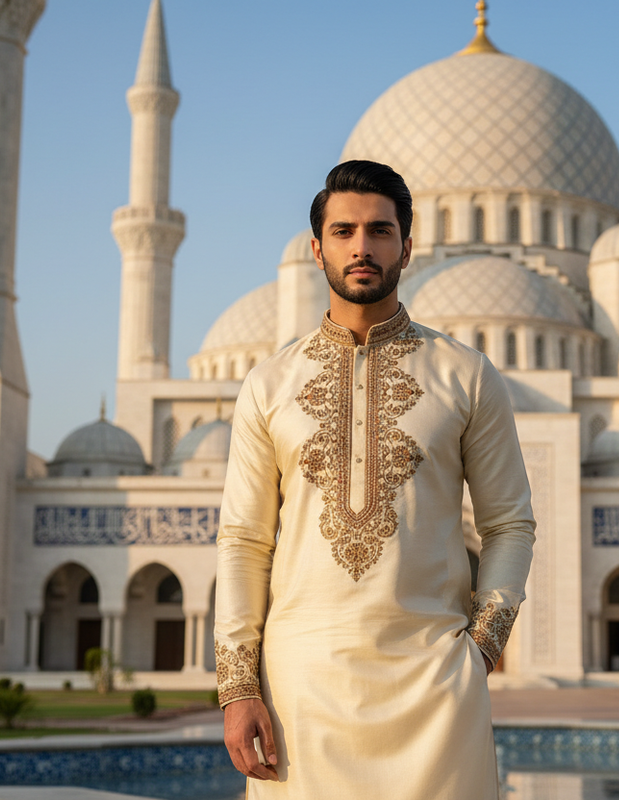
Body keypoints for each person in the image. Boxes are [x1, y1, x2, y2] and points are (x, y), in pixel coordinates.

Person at [214, 160, 536, 799]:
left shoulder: (466, 375)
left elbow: (509, 524)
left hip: (433, 688)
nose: (362, 247)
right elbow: (244, 540)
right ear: (317, 248)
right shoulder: (271, 384)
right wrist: (238, 687)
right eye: (343, 231)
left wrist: (481, 649)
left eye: (380, 231)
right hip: (299, 694)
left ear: (408, 246)